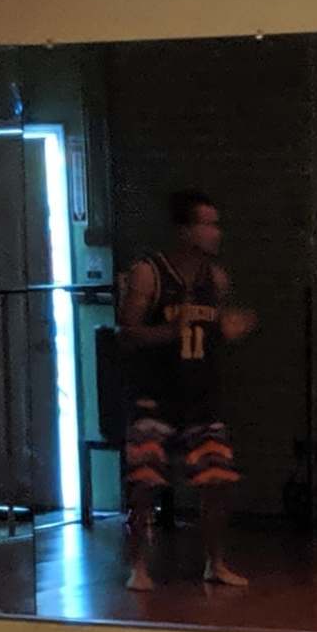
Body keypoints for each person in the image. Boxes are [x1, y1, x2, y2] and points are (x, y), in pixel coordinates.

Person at [114, 187, 257, 590]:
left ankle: (215, 562)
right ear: (185, 231)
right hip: (154, 398)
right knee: (144, 482)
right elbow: (127, 333)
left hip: (201, 399)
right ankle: (138, 565)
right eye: (207, 224)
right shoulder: (150, 274)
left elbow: (212, 331)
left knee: (217, 479)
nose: (217, 232)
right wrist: (167, 333)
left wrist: (226, 330)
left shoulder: (216, 280)